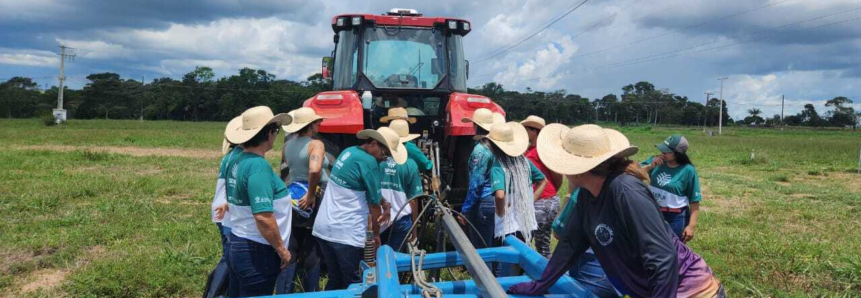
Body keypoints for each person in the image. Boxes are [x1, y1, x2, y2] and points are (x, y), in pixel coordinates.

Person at [509, 124, 725, 298]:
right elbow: (570, 244)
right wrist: (540, 285)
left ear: (578, 168)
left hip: (688, 290)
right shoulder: (587, 194)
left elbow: (662, 258)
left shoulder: (626, 191)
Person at [312, 127, 406, 290]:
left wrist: (385, 202)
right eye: (385, 154)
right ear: (374, 144)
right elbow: (374, 205)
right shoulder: (369, 162)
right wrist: (376, 235)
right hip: (346, 234)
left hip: (325, 229)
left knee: (335, 280)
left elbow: (362, 188)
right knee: (355, 285)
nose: (384, 159)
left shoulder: (349, 152)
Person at [223, 106, 294, 297]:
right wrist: (282, 250)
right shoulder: (258, 167)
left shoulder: (237, 159)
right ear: (269, 134)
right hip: (257, 251)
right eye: (276, 131)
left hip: (239, 242)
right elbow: (263, 217)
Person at [275, 107, 328, 294]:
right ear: (310, 125)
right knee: (313, 245)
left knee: (294, 242)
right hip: (312, 196)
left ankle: (284, 290)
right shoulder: (316, 144)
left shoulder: (288, 145)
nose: (319, 124)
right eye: (317, 122)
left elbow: (286, 169)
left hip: (294, 194)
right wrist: (312, 194)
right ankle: (311, 290)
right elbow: (314, 170)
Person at [641, 134, 702, 242]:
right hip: (653, 212)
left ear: (678, 154)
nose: (662, 153)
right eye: (662, 150)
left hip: (676, 217)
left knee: (674, 250)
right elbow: (632, 174)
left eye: (667, 151)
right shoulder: (654, 161)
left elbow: (694, 201)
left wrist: (691, 226)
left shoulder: (688, 170)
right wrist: (650, 165)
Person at [459, 108, 505, 249]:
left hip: (483, 203)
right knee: (495, 246)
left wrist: (465, 210)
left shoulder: (480, 150)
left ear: (475, 126)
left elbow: (476, 184)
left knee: (482, 249)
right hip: (496, 202)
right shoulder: (496, 146)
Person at [203, 138, 242, 298]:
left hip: (222, 208)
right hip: (227, 211)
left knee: (228, 257)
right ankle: (215, 293)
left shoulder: (231, 155)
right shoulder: (241, 157)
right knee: (229, 259)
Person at [379, 119, 424, 252]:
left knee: (375, 256)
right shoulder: (410, 165)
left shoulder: (376, 161)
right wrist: (414, 230)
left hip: (378, 217)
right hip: (401, 220)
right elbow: (413, 201)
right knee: (394, 259)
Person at [520, 115, 562, 258]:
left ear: (534, 131)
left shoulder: (542, 151)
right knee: (528, 239)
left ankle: (548, 274)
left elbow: (557, 175)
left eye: (526, 129)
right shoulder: (530, 150)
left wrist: (547, 193)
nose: (524, 132)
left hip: (543, 201)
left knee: (541, 244)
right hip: (537, 199)